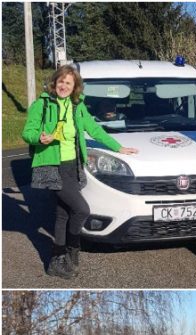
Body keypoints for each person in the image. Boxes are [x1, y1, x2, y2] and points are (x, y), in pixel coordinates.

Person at [22, 65, 139, 278]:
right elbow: (27, 132)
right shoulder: (42, 105)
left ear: (75, 86)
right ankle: (71, 252)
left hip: (73, 165)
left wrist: (118, 147)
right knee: (82, 209)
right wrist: (39, 137)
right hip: (51, 165)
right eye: (61, 81)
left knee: (63, 213)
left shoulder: (77, 107)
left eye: (69, 83)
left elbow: (94, 130)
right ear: (54, 82)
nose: (64, 86)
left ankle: (56, 262)